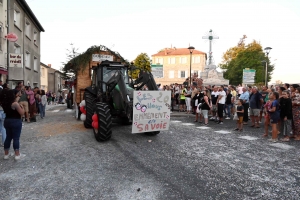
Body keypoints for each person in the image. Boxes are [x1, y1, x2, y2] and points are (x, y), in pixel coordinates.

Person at [0, 89, 24, 160]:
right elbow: (22, 113)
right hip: (16, 121)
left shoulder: (4, 103)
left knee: (8, 137)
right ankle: (17, 154)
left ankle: (6, 154)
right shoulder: (15, 104)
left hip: (7, 121)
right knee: (16, 138)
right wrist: (22, 107)